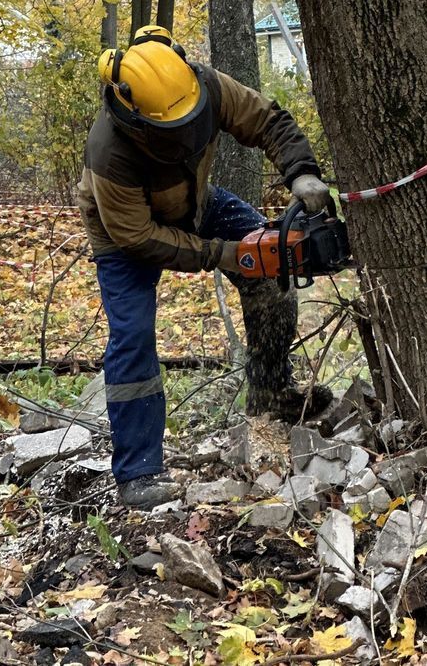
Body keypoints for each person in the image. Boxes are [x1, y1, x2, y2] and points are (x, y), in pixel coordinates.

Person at [78, 25, 334, 509]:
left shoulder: (206, 86)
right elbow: (139, 237)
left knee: (272, 260)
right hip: (124, 236)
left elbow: (267, 120)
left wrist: (300, 171)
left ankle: (273, 393)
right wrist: (223, 253)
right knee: (132, 336)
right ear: (138, 120)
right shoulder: (109, 151)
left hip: (196, 203)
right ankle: (138, 473)